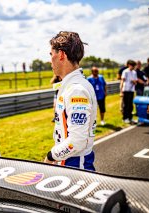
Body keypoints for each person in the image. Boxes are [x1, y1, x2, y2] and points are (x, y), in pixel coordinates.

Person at [43, 31, 97, 171]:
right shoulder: (71, 85)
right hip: (69, 161)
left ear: (61, 55)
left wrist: (51, 156)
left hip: (75, 164)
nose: (50, 61)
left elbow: (77, 141)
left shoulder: (76, 90)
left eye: (51, 55)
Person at [120, 59, 137, 124]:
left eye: (134, 66)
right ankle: (125, 118)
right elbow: (122, 81)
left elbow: (136, 82)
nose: (133, 67)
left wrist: (134, 81)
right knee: (126, 105)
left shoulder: (134, 72)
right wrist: (121, 91)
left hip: (131, 90)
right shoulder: (125, 72)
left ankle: (130, 118)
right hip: (126, 90)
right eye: (132, 65)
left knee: (130, 105)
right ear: (129, 65)